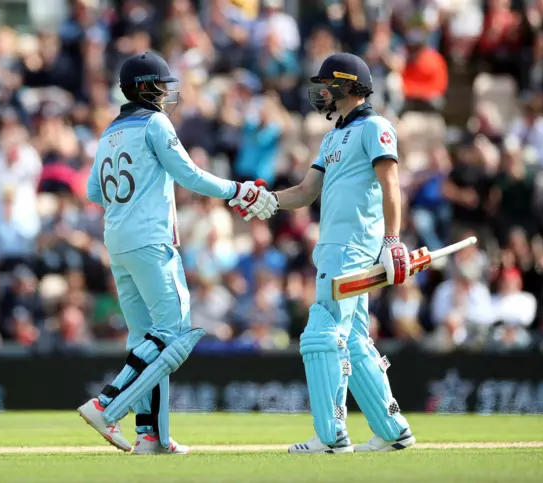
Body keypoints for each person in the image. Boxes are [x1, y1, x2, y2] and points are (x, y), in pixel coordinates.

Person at [76, 52, 276, 455]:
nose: (168, 93)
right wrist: (239, 190)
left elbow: (93, 192)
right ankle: (107, 404)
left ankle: (151, 436)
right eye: (162, 85)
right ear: (146, 87)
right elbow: (189, 175)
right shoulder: (155, 122)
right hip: (151, 240)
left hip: (117, 239)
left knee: (145, 341)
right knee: (175, 335)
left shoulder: (109, 132)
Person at [232, 53, 416, 453]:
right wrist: (266, 201)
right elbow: (305, 192)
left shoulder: (376, 127)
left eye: (328, 83)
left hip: (352, 246)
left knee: (321, 333)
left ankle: (331, 436)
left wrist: (392, 240)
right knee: (353, 340)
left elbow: (391, 184)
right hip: (334, 246)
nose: (320, 91)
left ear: (350, 85)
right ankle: (392, 430)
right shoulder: (332, 137)